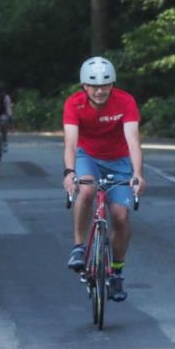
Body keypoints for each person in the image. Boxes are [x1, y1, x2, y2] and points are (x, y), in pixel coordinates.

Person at [61, 57, 144, 302]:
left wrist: (137, 174)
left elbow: (133, 141)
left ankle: (116, 273)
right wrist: (69, 173)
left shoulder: (125, 101)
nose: (99, 91)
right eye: (93, 85)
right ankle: (78, 248)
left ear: (112, 84)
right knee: (86, 191)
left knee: (120, 216)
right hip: (88, 157)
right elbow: (70, 143)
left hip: (119, 160)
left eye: (105, 85)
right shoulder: (74, 104)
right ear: (84, 86)